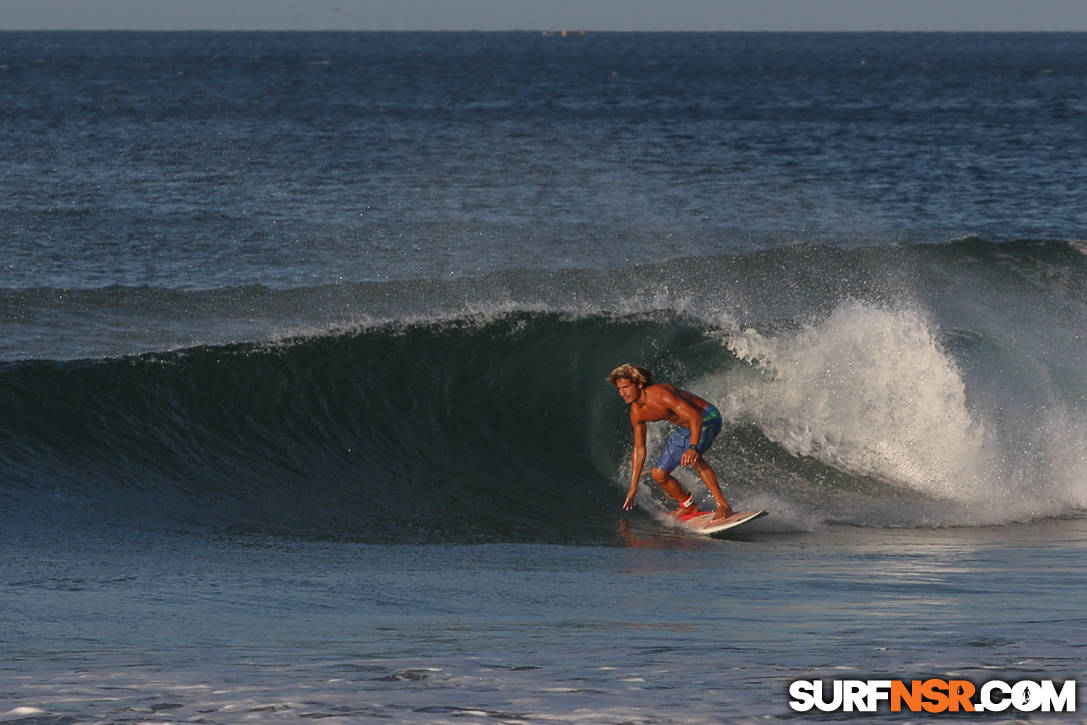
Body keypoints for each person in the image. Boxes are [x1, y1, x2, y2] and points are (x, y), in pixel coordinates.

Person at [607, 363, 734, 522]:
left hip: (707, 418)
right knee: (659, 474)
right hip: (686, 427)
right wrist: (633, 487)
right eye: (619, 389)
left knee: (694, 459)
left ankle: (723, 505)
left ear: (639, 384)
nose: (622, 393)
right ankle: (688, 506)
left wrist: (693, 448)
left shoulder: (662, 395)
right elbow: (639, 448)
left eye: (626, 387)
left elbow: (694, 416)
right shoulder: (636, 413)